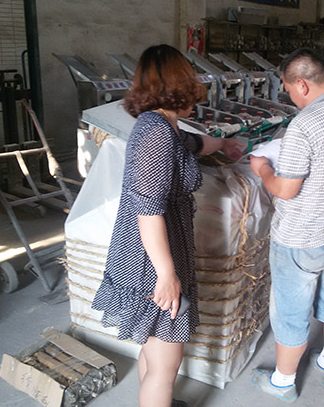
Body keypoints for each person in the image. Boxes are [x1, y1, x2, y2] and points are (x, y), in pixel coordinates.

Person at [92, 44, 244, 407]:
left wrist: (225, 143)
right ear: (178, 85)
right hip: (149, 258)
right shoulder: (156, 133)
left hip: (158, 248)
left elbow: (195, 144)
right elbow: (148, 211)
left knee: (154, 345)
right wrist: (166, 275)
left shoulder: (165, 127)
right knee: (166, 362)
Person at [249, 48, 324, 402]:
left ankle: (283, 382)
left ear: (302, 84)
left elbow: (285, 190)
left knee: (291, 313)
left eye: (289, 90)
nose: (291, 97)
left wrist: (263, 168)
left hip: (301, 238)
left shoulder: (304, 124)